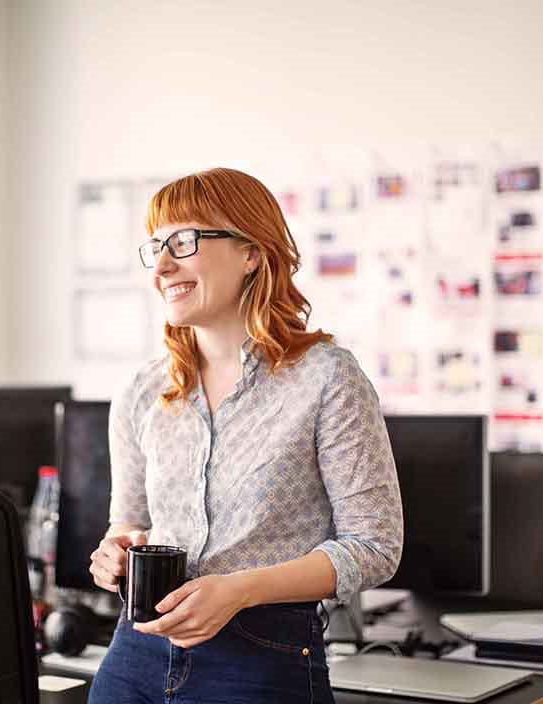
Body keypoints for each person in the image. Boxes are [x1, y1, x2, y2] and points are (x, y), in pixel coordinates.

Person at [87, 167, 403, 703]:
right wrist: (112, 553)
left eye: (183, 242)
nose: (162, 266)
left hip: (261, 659)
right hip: (134, 658)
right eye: (155, 247)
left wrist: (238, 590)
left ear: (251, 251)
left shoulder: (326, 378)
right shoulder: (143, 391)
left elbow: (374, 546)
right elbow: (130, 524)